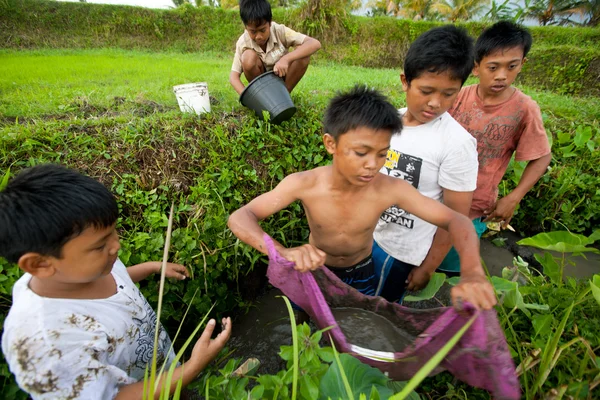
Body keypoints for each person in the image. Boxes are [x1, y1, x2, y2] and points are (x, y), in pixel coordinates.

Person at [227, 85, 496, 311]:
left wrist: (472, 271)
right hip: (315, 270)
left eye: (382, 154)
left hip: (362, 273)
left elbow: (456, 221)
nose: (372, 165)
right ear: (331, 144)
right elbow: (241, 217)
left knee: (355, 323)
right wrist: (282, 252)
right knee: (304, 319)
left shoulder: (390, 189)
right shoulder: (304, 184)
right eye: (361, 153)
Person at [0, 164, 232, 400]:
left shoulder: (87, 268)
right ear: (39, 264)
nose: (116, 246)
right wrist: (192, 367)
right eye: (100, 244)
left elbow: (119, 281)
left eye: (113, 231)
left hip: (164, 371)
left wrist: (153, 267)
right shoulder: (45, 344)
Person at [371, 26, 480, 302]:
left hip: (403, 251)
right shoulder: (387, 122)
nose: (435, 103)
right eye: (427, 90)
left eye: (448, 94)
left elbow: (455, 217)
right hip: (369, 234)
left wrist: (429, 266)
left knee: (381, 308)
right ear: (405, 81)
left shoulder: (457, 144)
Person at [449, 21, 551, 236]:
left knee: (453, 265)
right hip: (438, 196)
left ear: (522, 64)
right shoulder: (456, 96)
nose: (502, 75)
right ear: (476, 67)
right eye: (493, 67)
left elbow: (541, 156)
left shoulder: (524, 109)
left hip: (476, 207)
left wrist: (514, 197)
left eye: (511, 66)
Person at [229, 0, 321, 95]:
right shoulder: (243, 42)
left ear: (270, 23)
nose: (258, 36)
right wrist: (248, 97)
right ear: (245, 27)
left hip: (284, 78)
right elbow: (233, 77)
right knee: (247, 57)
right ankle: (264, 98)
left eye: (262, 30)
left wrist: (286, 59)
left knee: (303, 54)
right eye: (253, 32)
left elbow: (314, 43)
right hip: (262, 84)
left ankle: (283, 96)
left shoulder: (279, 30)